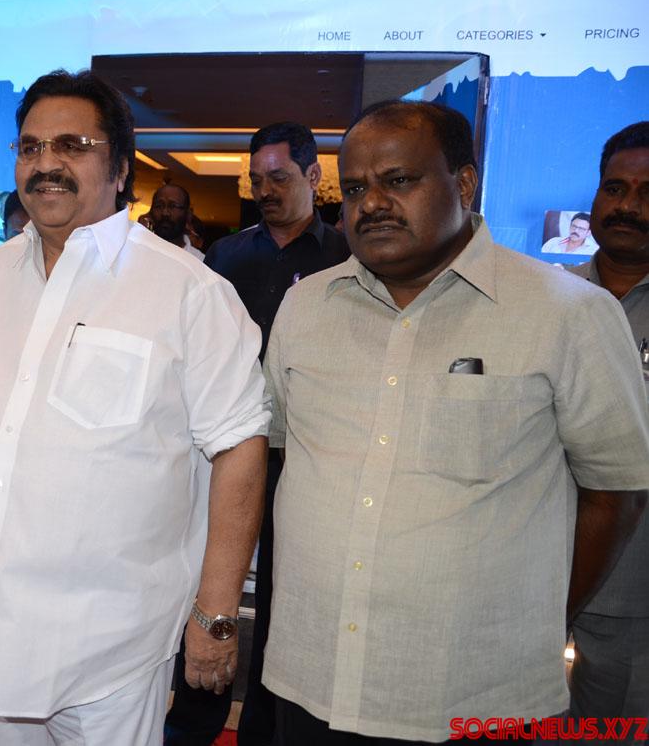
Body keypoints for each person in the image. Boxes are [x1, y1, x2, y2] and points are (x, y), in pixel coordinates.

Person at [262, 100, 649, 745]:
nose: (372, 203)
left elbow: (617, 493)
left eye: (399, 180)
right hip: (312, 678)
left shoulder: (567, 314)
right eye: (354, 189)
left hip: (473, 691)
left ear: (464, 184)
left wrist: (536, 620)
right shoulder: (305, 306)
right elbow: (278, 453)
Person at [0, 69, 269, 745]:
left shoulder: (186, 291)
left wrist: (216, 613)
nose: (45, 163)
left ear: (120, 167)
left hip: (110, 649)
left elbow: (239, 448)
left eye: (72, 145)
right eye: (29, 147)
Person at [165, 121, 349, 746]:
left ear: (313, 176)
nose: (265, 191)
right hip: (222, 453)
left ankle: (266, 728)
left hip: (306, 456)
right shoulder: (224, 258)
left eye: (279, 178)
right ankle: (195, 719)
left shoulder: (345, 259)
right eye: (256, 180)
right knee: (210, 583)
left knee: (283, 598)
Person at [565, 121, 649, 740]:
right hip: (537, 574)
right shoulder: (552, 299)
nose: (627, 206)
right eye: (615, 188)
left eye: (648, 193)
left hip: (633, 589)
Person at [147, 183, 204, 261]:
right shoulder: (137, 251)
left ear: (188, 214)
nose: (165, 213)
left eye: (173, 206)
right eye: (159, 206)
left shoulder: (199, 261)